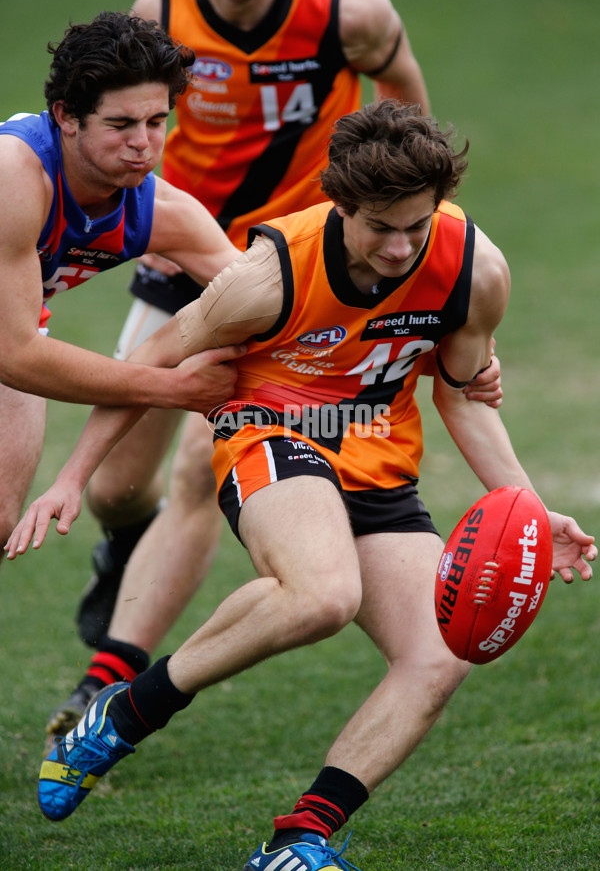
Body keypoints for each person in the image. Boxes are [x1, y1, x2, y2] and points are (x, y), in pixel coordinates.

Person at [7, 101, 594, 870]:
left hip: (378, 456)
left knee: (441, 652)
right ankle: (128, 711)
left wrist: (524, 507)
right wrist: (74, 477)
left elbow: (459, 390)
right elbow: (152, 356)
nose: (400, 246)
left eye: (416, 225)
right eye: (380, 226)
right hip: (270, 433)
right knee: (322, 595)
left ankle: (301, 839)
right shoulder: (268, 274)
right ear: (341, 205)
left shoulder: (476, 269)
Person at [55, 0, 500, 739]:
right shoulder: (162, 12)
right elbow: (135, 126)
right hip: (204, 262)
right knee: (119, 492)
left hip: (317, 269)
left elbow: (403, 112)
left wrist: (411, 244)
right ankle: (125, 550)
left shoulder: (349, 11)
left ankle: (110, 678)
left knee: (203, 467)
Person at [0, 10, 245, 575]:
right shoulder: (18, 174)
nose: (143, 144)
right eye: (120, 125)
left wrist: (440, 348)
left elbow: (271, 300)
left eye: (157, 121)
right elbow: (16, 356)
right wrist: (171, 387)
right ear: (66, 117)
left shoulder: (162, 213)